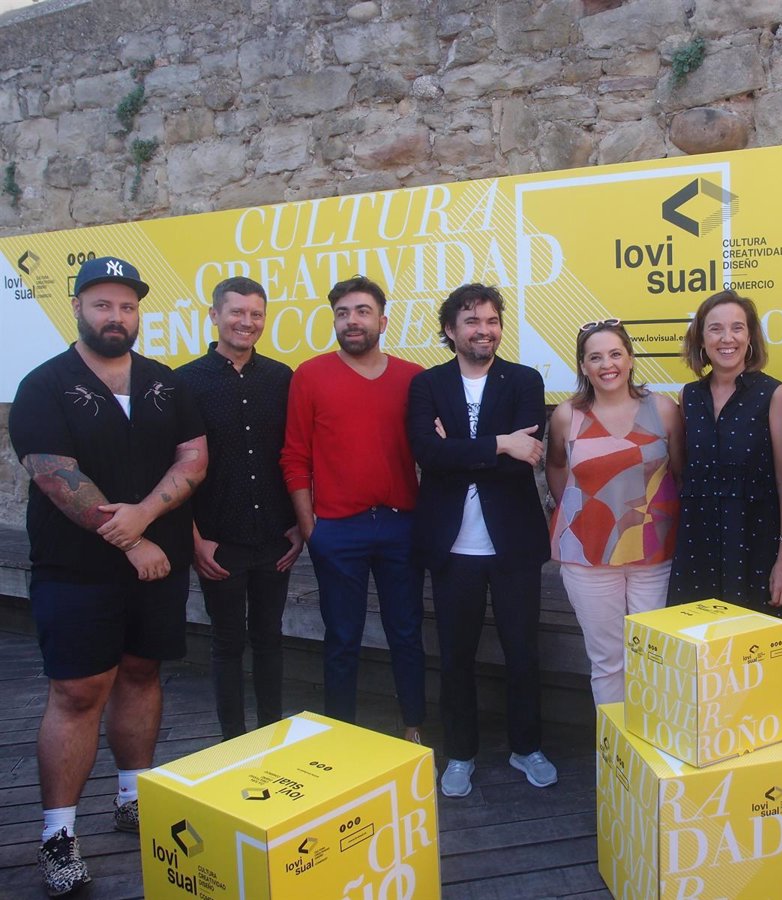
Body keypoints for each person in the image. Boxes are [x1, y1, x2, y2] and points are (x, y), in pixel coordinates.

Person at [9, 256, 208, 897]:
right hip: (77, 568)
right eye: (102, 304)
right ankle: (58, 834)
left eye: (126, 305)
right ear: (77, 308)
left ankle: (132, 796)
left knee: (142, 673)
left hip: (158, 564)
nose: (115, 316)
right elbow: (55, 476)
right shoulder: (44, 385)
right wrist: (132, 541)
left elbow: (193, 457)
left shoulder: (164, 383)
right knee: (77, 692)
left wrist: (146, 517)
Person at [406, 283, 555, 798]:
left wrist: (461, 449)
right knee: (455, 657)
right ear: (450, 330)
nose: (483, 330)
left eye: (491, 321)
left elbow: (524, 459)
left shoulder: (524, 380)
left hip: (513, 543)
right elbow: (427, 454)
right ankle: (461, 753)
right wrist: (499, 444)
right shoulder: (427, 385)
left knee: (523, 652)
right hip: (452, 546)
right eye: (471, 321)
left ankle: (526, 747)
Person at [279, 275, 425, 738]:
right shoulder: (310, 375)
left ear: (383, 320)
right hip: (338, 529)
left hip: (401, 525)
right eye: (342, 313)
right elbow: (294, 456)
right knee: (342, 637)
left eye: (362, 311)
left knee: (406, 632)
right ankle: (341, 735)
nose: (352, 321)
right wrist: (310, 527)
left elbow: (432, 450)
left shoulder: (413, 378)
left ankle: (413, 727)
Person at [176, 276, 301, 741]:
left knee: (270, 639)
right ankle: (232, 741)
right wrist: (194, 541)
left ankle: (271, 735)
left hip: (275, 539)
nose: (246, 322)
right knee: (227, 642)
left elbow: (295, 455)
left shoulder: (281, 378)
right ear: (214, 315)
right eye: (236, 312)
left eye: (256, 314)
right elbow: (173, 467)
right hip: (217, 541)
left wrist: (298, 525)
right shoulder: (184, 382)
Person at [546, 320, 683, 705]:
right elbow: (556, 466)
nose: (607, 364)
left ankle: (651, 741)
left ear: (630, 359)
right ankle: (613, 744)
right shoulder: (566, 416)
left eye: (615, 354)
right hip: (588, 558)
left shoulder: (663, 410)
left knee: (653, 659)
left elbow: (679, 472)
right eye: (595, 357)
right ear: (583, 366)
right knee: (607, 662)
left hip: (655, 555)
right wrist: (581, 514)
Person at [666, 290, 782, 632]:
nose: (727, 338)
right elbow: (683, 474)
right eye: (716, 329)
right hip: (698, 549)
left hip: (756, 549)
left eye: (737, 328)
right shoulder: (688, 397)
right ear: (701, 339)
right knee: (699, 649)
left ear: (750, 337)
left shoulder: (773, 394)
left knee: (755, 652)